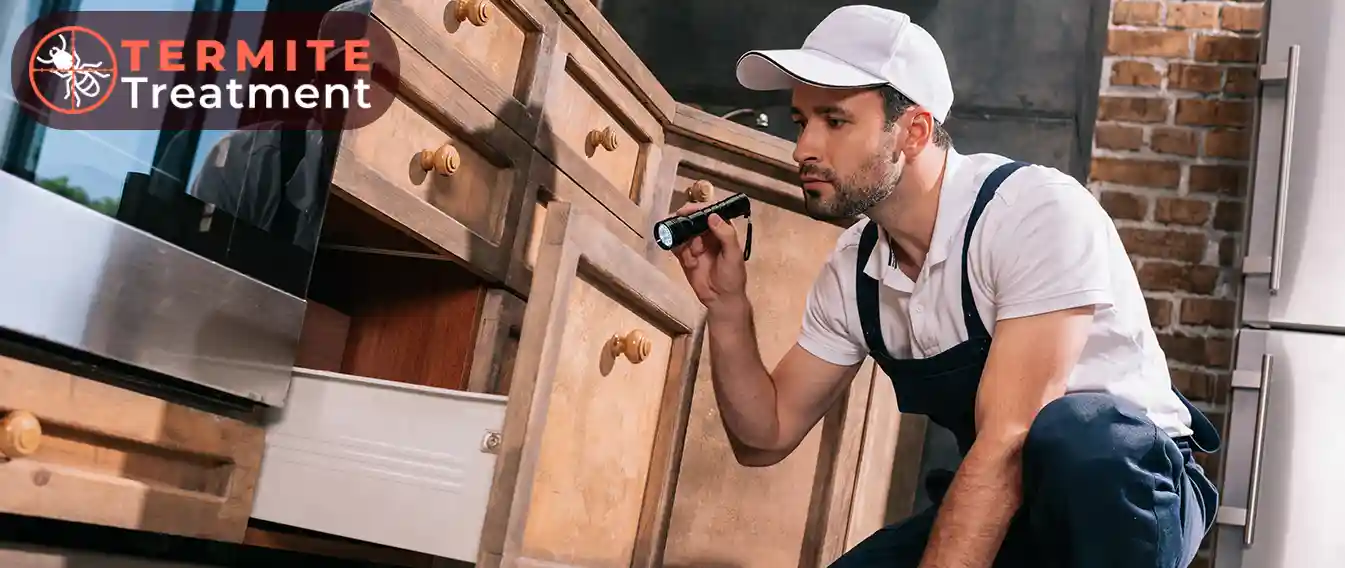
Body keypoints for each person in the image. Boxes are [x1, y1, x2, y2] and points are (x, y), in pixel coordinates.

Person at [669, 5, 1222, 567]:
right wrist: (727, 307)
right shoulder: (853, 270)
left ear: (913, 130)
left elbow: (1009, 439)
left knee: (1076, 435)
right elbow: (765, 436)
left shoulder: (1031, 212)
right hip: (1015, 499)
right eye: (800, 121)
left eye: (834, 121)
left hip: (1130, 498)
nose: (803, 148)